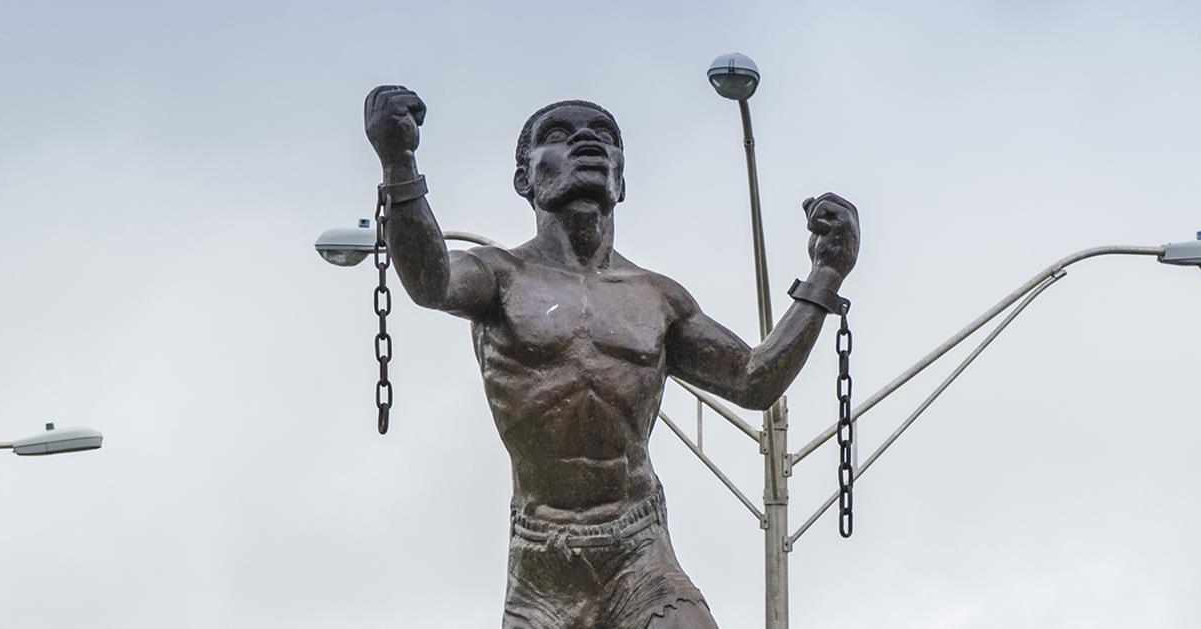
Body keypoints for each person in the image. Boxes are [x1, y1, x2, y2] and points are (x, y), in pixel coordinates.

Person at [363, 85, 861, 629]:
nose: (586, 143)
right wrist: (398, 161)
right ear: (524, 179)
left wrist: (826, 273)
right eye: (559, 136)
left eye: (604, 138)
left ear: (620, 182)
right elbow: (430, 282)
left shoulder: (657, 298)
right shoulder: (499, 277)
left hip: (639, 549)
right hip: (542, 563)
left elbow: (752, 380)